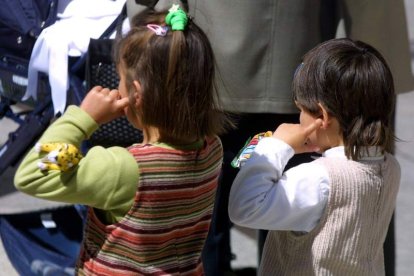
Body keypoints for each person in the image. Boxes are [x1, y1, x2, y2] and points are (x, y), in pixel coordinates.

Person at [14, 4, 231, 275]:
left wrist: (83, 119)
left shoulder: (123, 168)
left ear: (135, 93)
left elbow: (35, 172)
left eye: (120, 78)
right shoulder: (212, 149)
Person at [228, 38, 401, 275]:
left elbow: (244, 207)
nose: (299, 117)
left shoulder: (318, 179)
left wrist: (275, 146)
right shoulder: (389, 166)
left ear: (322, 115)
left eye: (301, 109)